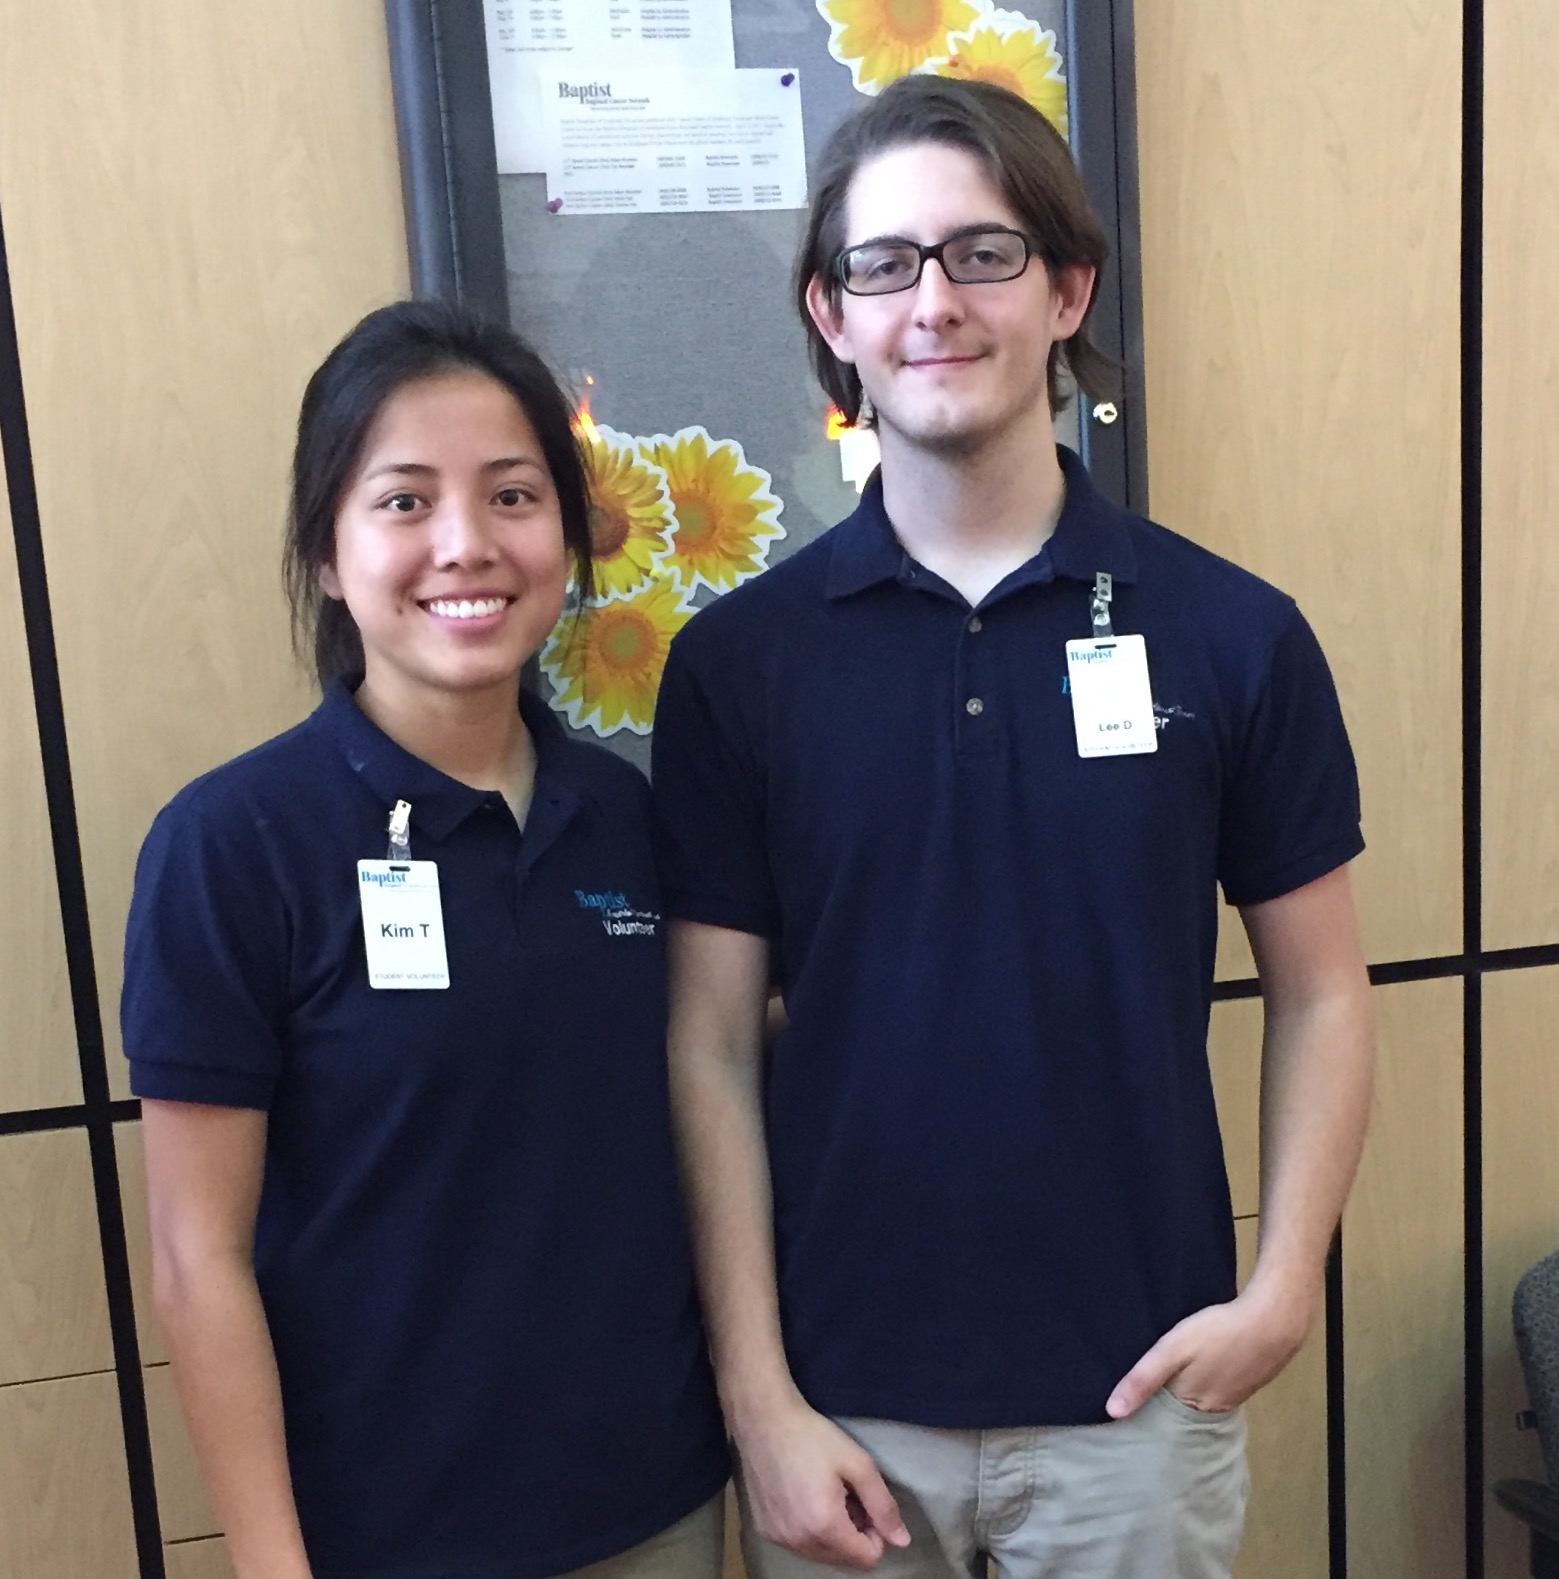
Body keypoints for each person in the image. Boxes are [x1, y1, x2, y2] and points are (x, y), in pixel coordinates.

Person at [650, 75, 1374, 1578]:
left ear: (1065, 289)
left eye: (981, 253)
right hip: (841, 1411)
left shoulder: (1231, 634)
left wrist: (1284, 1278)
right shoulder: (741, 667)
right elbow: (710, 1042)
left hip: (1134, 1397)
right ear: (830, 315)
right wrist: (756, 1393)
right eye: (883, 263)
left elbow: (1318, 988)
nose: (933, 301)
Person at [123, 300, 730, 1579]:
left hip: (654, 1505)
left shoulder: (622, 815)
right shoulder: (233, 845)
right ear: (330, 555)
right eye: (403, 501)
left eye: (513, 496)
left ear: (567, 536)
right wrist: (271, 1562)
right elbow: (197, 1258)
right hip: (382, 1536)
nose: (467, 544)